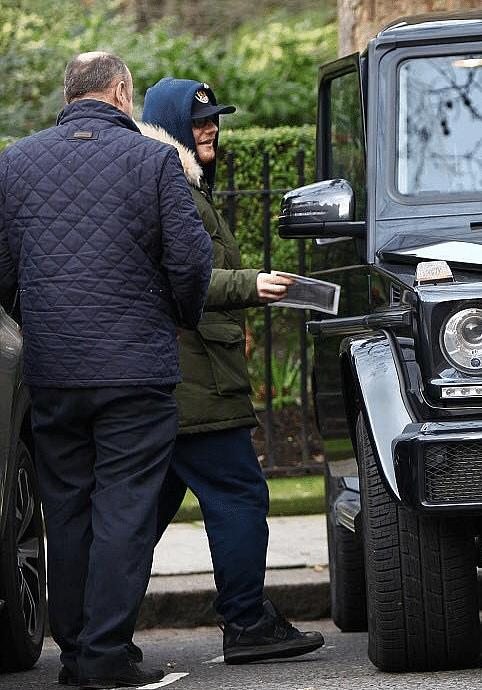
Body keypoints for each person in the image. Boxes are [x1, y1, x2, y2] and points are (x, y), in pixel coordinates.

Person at [0, 53, 213, 688]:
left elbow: (4, 270)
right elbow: (191, 260)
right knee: (124, 506)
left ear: (69, 96)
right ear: (121, 92)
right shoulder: (153, 161)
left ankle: (75, 651)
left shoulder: (15, 162)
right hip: (135, 369)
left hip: (53, 368)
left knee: (65, 505)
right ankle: (104, 653)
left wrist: (35, 319)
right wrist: (179, 314)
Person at [140, 77, 325, 664]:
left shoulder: (182, 185)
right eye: (199, 122)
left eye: (215, 118)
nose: (212, 127)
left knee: (140, 514)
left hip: (183, 377)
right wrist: (253, 285)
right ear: (170, 128)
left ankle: (96, 628)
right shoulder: (173, 189)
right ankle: (246, 620)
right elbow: (180, 282)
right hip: (195, 382)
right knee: (240, 494)